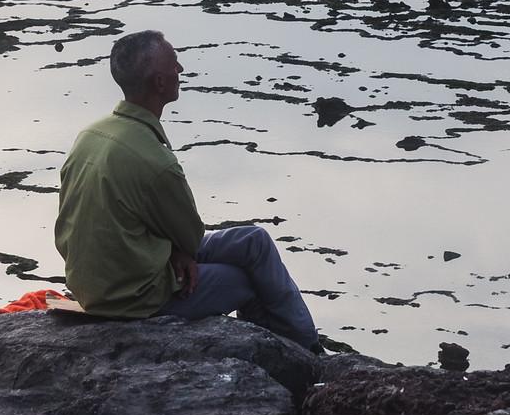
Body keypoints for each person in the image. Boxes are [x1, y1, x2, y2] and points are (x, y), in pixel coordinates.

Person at [55, 29, 319, 349]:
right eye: (175, 64)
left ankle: (299, 342)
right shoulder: (156, 161)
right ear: (159, 82)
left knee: (254, 241)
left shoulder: (90, 135)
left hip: (97, 281)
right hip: (132, 299)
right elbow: (191, 237)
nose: (180, 70)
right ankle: (299, 351)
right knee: (246, 280)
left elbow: (171, 235)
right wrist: (182, 250)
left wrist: (178, 251)